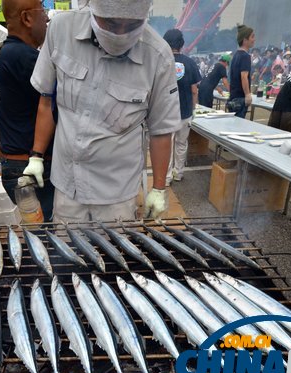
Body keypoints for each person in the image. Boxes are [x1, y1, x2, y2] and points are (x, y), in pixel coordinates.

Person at [23, 0, 181, 222]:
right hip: (68, 184)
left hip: (116, 195)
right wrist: (37, 156)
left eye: (132, 25)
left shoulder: (158, 56)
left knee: (112, 256)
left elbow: (162, 131)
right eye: (111, 23)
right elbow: (47, 100)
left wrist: (158, 188)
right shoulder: (61, 30)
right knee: (69, 252)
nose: (120, 34)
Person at [0, 0, 54, 221]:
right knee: (54, 239)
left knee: (43, 234)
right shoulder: (25, 57)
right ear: (27, 18)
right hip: (32, 168)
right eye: (42, 11)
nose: (46, 18)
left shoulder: (8, 53)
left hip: (16, 164)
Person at [163, 28, 202, 186]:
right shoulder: (190, 62)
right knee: (181, 144)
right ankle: (178, 173)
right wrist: (193, 110)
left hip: (166, 113)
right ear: (182, 44)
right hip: (185, 112)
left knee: (167, 144)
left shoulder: (162, 61)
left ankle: (166, 177)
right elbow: (194, 90)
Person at [227, 24, 255, 118]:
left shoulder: (236, 55)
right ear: (245, 40)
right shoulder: (245, 56)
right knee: (237, 127)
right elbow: (244, 77)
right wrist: (247, 94)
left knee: (232, 126)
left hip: (233, 97)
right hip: (240, 98)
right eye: (252, 37)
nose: (254, 39)